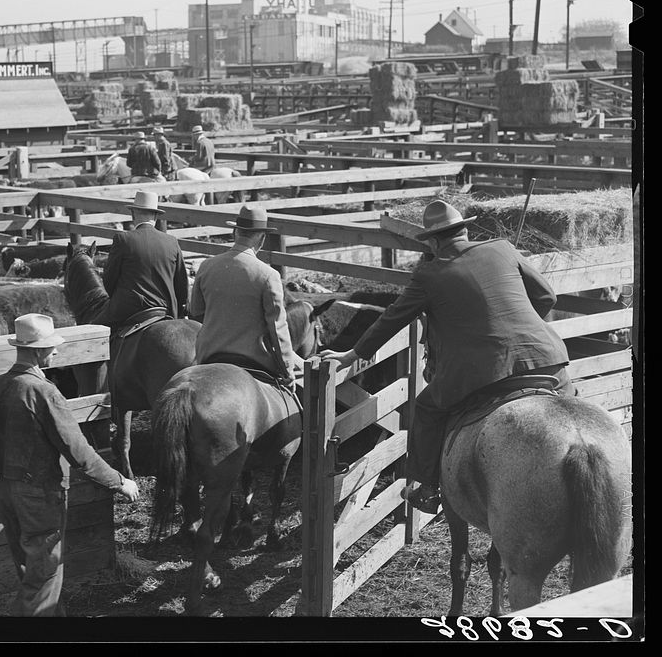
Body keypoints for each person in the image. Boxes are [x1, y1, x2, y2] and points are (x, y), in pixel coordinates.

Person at [320, 200, 573, 514]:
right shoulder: (504, 248)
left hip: (481, 371)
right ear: (465, 229)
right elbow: (548, 296)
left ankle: (425, 488)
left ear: (434, 241)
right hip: (548, 358)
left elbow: (392, 318)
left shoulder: (428, 274)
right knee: (571, 407)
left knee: (425, 409)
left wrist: (354, 354)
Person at [0, 313, 140, 617]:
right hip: (38, 495)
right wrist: (119, 482)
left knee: (32, 573)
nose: (57, 352)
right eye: (51, 347)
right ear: (37, 351)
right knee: (44, 579)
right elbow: (78, 451)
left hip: (2, 491)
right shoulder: (43, 392)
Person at [189, 205, 304, 386]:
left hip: (208, 355)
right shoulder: (269, 275)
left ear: (235, 232)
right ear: (262, 238)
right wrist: (287, 368)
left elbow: (195, 313)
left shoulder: (206, 266)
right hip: (254, 360)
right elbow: (277, 328)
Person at [96, 190, 189, 330]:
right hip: (166, 308)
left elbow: (109, 280)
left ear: (133, 214)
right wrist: (179, 311)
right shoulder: (172, 242)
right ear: (156, 216)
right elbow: (182, 284)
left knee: (96, 331)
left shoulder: (123, 239)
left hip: (129, 309)